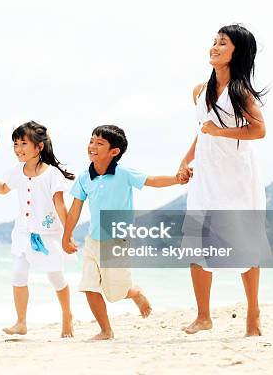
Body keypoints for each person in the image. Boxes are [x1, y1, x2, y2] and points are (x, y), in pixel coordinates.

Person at [177, 24, 267, 337]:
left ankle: (253, 312)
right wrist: (186, 159)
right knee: (196, 241)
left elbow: (258, 130)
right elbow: (202, 129)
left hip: (236, 177)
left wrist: (221, 132)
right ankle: (203, 316)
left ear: (236, 52)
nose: (214, 47)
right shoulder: (199, 90)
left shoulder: (240, 92)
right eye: (214, 42)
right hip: (206, 175)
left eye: (223, 43)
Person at [62, 125, 185, 340]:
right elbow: (75, 210)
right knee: (89, 287)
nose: (92, 146)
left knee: (115, 293)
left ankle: (134, 292)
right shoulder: (84, 178)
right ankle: (106, 330)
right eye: (91, 141)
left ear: (114, 152)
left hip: (118, 240)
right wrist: (66, 236)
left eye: (99, 143)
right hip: (92, 240)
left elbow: (153, 181)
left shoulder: (124, 174)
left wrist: (177, 179)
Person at [0, 121, 76, 337]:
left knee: (56, 277)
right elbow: (4, 189)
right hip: (23, 233)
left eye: (23, 143)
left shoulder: (52, 175)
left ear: (39, 147)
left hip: (48, 235)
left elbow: (60, 206)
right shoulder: (16, 171)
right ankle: (21, 322)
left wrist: (67, 236)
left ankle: (67, 316)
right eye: (15, 144)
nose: (18, 149)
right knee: (18, 273)